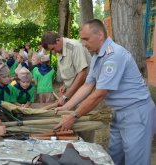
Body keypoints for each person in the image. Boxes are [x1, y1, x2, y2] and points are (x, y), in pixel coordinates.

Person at [54, 19, 156, 165]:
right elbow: (87, 86)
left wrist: (74, 116)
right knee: (114, 157)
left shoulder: (113, 56)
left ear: (100, 35)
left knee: (135, 160)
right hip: (119, 112)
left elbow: (99, 93)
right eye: (81, 39)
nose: (83, 43)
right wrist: (66, 107)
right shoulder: (97, 56)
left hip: (136, 113)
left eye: (86, 39)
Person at [41, 31, 91, 106]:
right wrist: (65, 85)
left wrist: (65, 97)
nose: (54, 52)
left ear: (58, 40)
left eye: (53, 49)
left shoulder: (75, 47)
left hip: (85, 92)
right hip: (74, 91)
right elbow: (72, 72)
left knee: (82, 115)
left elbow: (82, 74)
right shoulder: (60, 50)